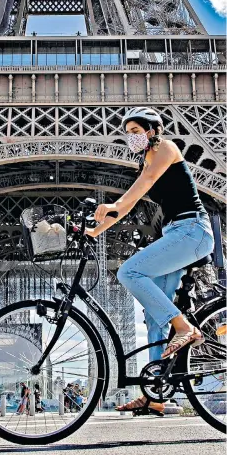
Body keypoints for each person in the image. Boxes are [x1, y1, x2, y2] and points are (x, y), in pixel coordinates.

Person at [85, 107, 214, 414]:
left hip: (192, 229)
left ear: (153, 130)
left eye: (136, 130)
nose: (131, 136)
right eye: (127, 132)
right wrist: (93, 231)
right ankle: (156, 390)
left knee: (130, 272)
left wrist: (114, 203)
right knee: (155, 316)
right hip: (175, 234)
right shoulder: (146, 160)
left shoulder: (167, 148)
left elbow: (142, 186)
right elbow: (127, 208)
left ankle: (186, 329)